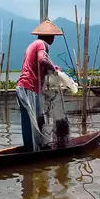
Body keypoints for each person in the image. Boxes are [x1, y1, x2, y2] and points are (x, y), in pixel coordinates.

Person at [16, 19, 63, 152]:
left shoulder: (33, 45)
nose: (53, 39)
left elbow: (39, 66)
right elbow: (42, 60)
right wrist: (53, 69)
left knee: (32, 121)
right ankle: (32, 152)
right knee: (33, 122)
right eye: (52, 36)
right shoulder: (41, 44)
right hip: (28, 88)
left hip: (24, 87)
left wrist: (52, 67)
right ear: (46, 36)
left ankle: (32, 148)